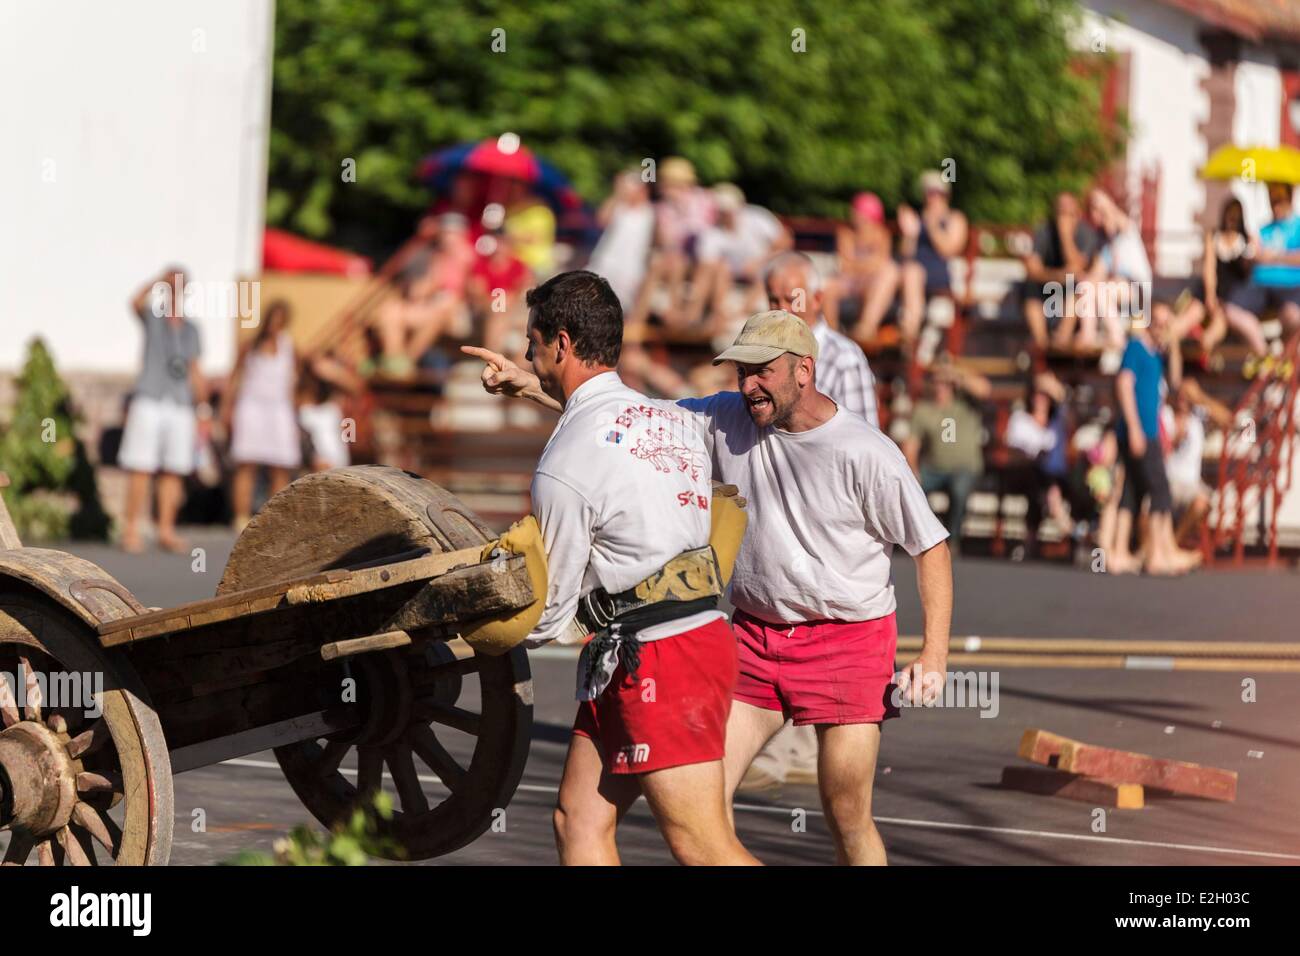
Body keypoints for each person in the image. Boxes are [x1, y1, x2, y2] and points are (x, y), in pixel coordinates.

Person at [472, 307, 954, 866]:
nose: (748, 386)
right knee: (706, 810)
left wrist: (935, 656)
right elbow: (628, 421)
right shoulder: (728, 418)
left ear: (804, 370)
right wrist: (532, 385)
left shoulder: (867, 453)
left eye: (762, 372)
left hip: (847, 641)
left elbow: (930, 547)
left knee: (845, 809)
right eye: (740, 372)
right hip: (754, 638)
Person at [463, 271, 758, 866]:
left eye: (532, 343)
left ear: (562, 345)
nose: (526, 353)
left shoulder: (563, 465)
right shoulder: (669, 420)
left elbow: (550, 613)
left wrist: (470, 637)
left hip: (663, 658)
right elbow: (606, 428)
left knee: (702, 846)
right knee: (578, 820)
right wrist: (529, 386)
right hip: (659, 646)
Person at [738, 251, 880, 794]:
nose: (782, 306)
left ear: (817, 299)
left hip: (830, 518)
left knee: (822, 630)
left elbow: (867, 442)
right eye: (772, 297)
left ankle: (804, 748)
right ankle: (786, 746)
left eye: (790, 296)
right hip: (774, 509)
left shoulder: (842, 358)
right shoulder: (760, 360)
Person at [118, 267, 209, 553]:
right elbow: (134, 302)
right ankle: (131, 529)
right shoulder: (153, 319)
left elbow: (195, 369)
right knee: (140, 465)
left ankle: (165, 529)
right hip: (150, 396)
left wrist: (203, 409)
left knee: (174, 468)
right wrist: (157, 280)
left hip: (180, 402)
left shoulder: (192, 329)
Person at [1109, 304, 1200, 575]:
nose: (1161, 328)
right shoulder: (1136, 348)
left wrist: (1174, 344)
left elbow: (1174, 381)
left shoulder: (1157, 355)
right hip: (1140, 431)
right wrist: (1136, 428)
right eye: (1158, 323)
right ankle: (1158, 555)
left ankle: (1118, 552)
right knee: (1160, 491)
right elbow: (1123, 385)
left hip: (1146, 431)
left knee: (1132, 493)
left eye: (1166, 324)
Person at [224, 300, 302, 530]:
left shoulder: (291, 348)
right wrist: (226, 410)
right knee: (247, 463)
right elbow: (234, 380)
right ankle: (241, 516)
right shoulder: (249, 347)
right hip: (251, 407)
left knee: (280, 464)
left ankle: (273, 517)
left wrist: (296, 415)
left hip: (279, 409)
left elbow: (294, 384)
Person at [902, 357, 992, 546]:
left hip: (964, 468)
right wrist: (913, 471)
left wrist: (956, 372)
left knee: (959, 489)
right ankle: (923, 535)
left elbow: (985, 389)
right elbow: (911, 444)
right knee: (909, 487)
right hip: (933, 469)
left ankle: (954, 539)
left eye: (945, 382)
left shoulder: (966, 403)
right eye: (936, 381)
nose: (940, 387)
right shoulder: (923, 409)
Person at [683, 183, 791, 332]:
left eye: (727, 209)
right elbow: (706, 265)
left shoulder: (757, 217)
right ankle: (715, 314)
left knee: (766, 272)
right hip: (734, 273)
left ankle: (737, 313)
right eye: (722, 209)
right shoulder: (712, 233)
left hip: (763, 268)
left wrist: (759, 262)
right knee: (720, 269)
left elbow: (784, 243)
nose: (725, 213)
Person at [1021, 192, 1102, 351]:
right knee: (1029, 287)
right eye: (1060, 213)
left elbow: (1077, 267)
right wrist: (1057, 275)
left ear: (1077, 214)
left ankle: (1061, 340)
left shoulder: (1086, 234)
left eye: (1068, 213)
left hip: (1073, 290)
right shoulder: (1044, 231)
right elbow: (1032, 268)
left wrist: (1065, 236)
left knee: (1077, 286)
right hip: (1049, 285)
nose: (1063, 218)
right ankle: (1042, 345)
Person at [898, 171, 968, 351]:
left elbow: (948, 250)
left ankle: (909, 331)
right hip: (910, 273)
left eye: (938, 193)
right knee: (895, 271)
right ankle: (874, 329)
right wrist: (909, 234)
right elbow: (905, 253)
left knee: (912, 272)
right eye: (929, 193)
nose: (933, 198)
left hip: (938, 272)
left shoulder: (955, 218)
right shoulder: (917, 220)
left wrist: (932, 225)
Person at [1225, 182, 1300, 347]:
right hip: (1259, 285)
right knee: (1231, 310)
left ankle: (1284, 359)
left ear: (1290, 197)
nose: (1275, 205)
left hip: (1291, 287)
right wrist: (1248, 258)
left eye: (1279, 199)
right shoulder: (1262, 229)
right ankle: (1264, 356)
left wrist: (1273, 257)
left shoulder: (1298, 225)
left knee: (1293, 317)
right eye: (1272, 200)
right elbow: (1253, 260)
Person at [823, 191, 900, 338]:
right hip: (850, 281)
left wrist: (858, 266)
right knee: (828, 288)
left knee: (888, 274)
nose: (855, 216)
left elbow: (880, 263)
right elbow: (846, 265)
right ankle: (830, 335)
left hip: (868, 282)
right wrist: (868, 265)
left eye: (858, 213)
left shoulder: (881, 234)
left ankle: (866, 327)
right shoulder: (845, 233)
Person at [1084, 187, 1151, 352]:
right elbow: (1094, 276)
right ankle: (1087, 336)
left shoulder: (1128, 232)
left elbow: (1113, 213)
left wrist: (1101, 201)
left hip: (1138, 290)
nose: (1098, 215)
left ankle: (1116, 337)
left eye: (1100, 211)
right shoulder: (1104, 245)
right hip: (1115, 293)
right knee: (1087, 287)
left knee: (1102, 289)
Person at [588, 169, 656, 313]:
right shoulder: (619, 207)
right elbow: (601, 219)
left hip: (630, 271)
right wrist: (617, 193)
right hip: (604, 264)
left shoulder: (649, 212)